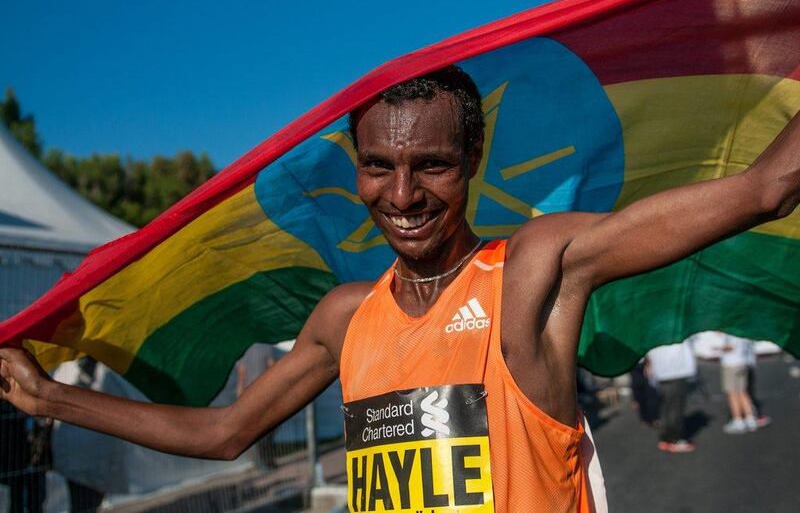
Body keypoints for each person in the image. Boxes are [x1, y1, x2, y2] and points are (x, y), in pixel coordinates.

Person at [1, 66, 799, 512]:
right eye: (379, 165)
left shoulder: (533, 270)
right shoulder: (346, 318)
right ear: (356, 170)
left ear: (473, 163)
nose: (404, 194)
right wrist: (49, 400)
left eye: (433, 166)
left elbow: (768, 187)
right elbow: (223, 434)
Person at [645, 341, 698, 453]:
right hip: (675, 373)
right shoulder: (675, 332)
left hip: (662, 373)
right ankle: (673, 439)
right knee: (675, 408)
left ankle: (667, 437)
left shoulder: (657, 332)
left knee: (667, 406)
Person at [715, 332, 760, 434]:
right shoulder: (742, 331)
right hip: (742, 362)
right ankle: (750, 418)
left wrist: (718, 348)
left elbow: (730, 347)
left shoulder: (732, 332)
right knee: (742, 391)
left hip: (732, 364)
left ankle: (738, 420)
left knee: (732, 393)